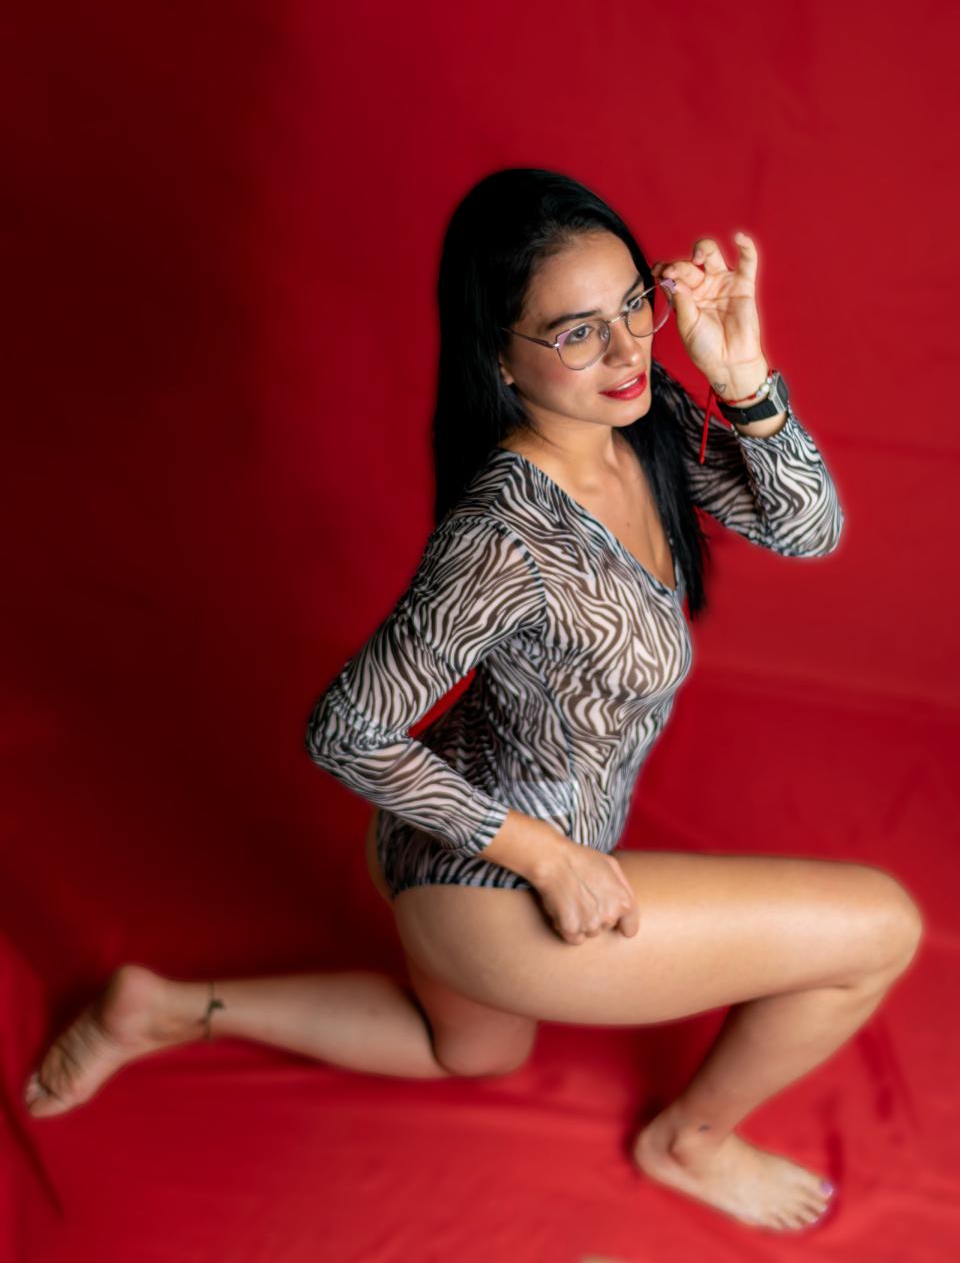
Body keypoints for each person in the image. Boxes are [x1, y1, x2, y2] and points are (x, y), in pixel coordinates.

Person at [24, 168, 922, 1236]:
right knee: (883, 927)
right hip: (492, 879)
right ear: (500, 357)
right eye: (578, 332)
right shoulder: (504, 533)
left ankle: (164, 1008)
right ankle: (688, 1140)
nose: (628, 350)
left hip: (453, 842)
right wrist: (547, 858)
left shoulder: (645, 423)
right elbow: (345, 726)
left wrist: (743, 379)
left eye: (635, 304)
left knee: (473, 1053)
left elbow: (806, 529)